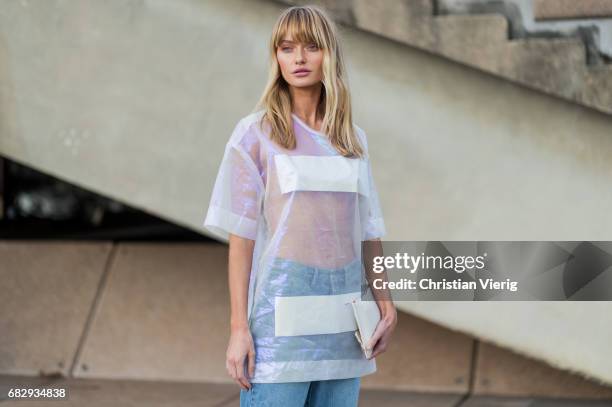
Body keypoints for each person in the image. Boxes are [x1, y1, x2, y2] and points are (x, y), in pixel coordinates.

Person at [203, 5, 397, 406]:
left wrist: (386, 304)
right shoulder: (255, 134)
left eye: (311, 47)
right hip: (279, 318)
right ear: (276, 57)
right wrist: (239, 328)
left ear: (329, 54)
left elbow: (368, 231)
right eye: (287, 48)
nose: (299, 58)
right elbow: (241, 240)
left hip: (345, 318)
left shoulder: (352, 140)